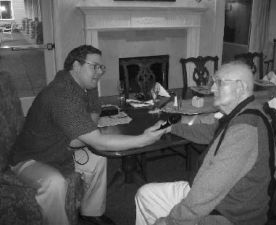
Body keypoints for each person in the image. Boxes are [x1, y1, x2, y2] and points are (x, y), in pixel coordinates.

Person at [8, 45, 167, 225]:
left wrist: (82, 133)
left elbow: (95, 108)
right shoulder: (61, 94)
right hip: (31, 158)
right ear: (76, 66)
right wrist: (143, 140)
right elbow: (98, 142)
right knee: (55, 183)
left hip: (61, 149)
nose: (99, 72)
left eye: (101, 67)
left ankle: (91, 213)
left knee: (98, 159)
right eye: (94, 66)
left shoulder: (84, 85)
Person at [135, 61, 275, 225]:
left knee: (147, 197)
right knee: (145, 194)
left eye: (219, 83)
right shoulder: (244, 111)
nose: (213, 89)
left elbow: (210, 190)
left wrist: (171, 222)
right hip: (222, 199)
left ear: (241, 87)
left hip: (231, 214)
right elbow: (209, 132)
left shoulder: (245, 130)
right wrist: (169, 127)